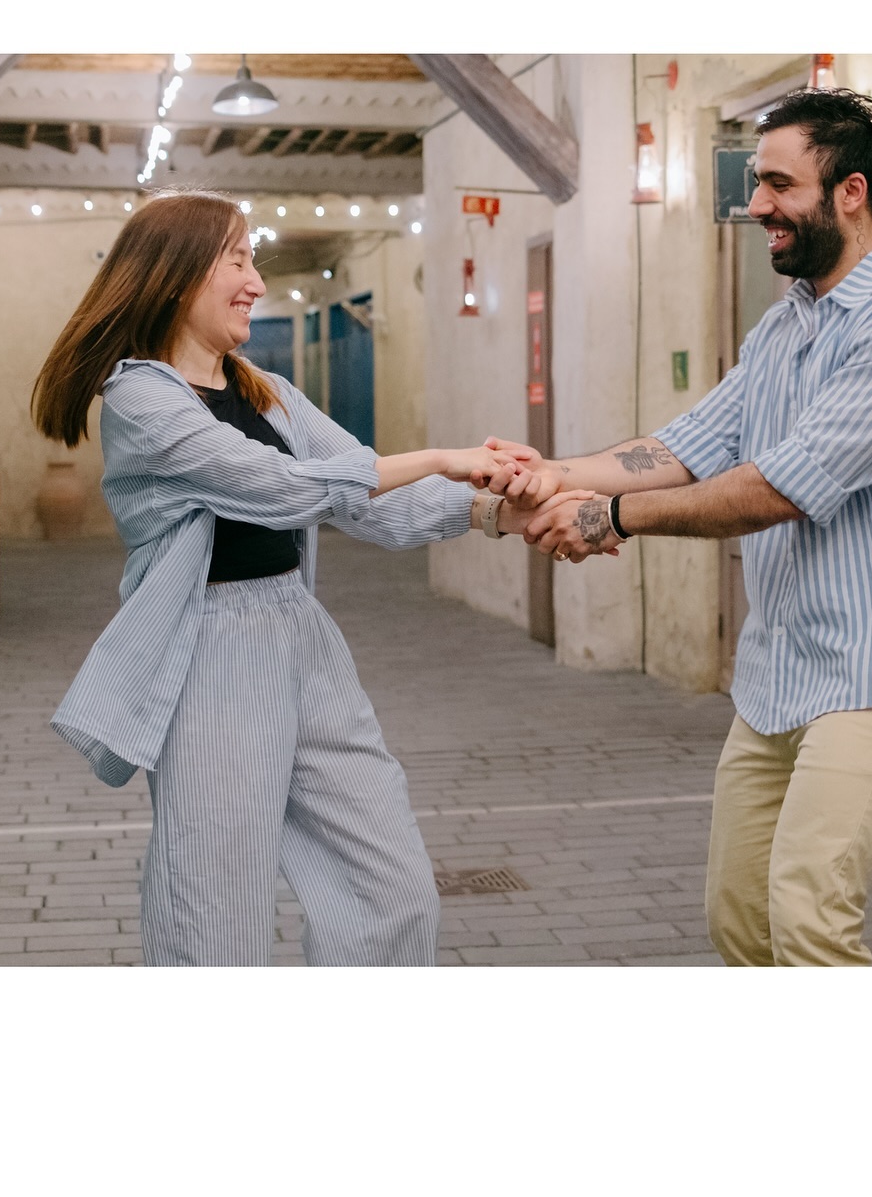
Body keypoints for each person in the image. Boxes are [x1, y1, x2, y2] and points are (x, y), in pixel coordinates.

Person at [492, 88, 872, 967]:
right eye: (758, 183)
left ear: (851, 192)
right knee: (740, 922)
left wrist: (608, 518)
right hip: (777, 679)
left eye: (777, 184)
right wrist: (553, 474)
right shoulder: (782, 329)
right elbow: (687, 449)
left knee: (808, 919)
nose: (755, 204)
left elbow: (777, 490)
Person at [31, 191, 532, 967]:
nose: (256, 281)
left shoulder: (262, 389)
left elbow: (374, 508)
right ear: (174, 276)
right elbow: (277, 488)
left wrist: (505, 513)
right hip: (209, 652)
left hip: (298, 635)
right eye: (235, 259)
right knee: (214, 904)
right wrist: (438, 455)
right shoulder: (139, 397)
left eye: (252, 260)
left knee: (391, 888)